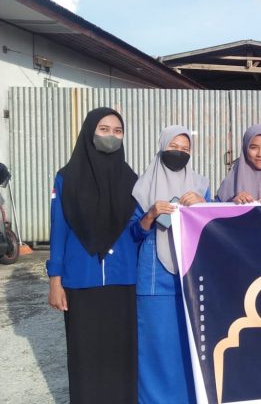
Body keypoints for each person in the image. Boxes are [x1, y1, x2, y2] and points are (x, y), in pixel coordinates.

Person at [46, 107, 139, 403]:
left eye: (118, 131)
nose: (111, 136)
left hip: (122, 278)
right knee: (85, 356)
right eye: (104, 129)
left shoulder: (131, 180)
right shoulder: (66, 178)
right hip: (81, 279)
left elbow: (137, 229)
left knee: (120, 355)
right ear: (89, 132)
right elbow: (58, 229)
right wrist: (55, 280)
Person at [131, 126, 209, 403]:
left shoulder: (200, 185)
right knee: (156, 348)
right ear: (162, 147)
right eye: (173, 147)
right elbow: (134, 234)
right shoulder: (142, 187)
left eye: (185, 149)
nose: (179, 152)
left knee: (191, 348)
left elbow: (216, 227)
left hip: (193, 278)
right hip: (155, 280)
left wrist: (203, 204)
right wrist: (151, 214)